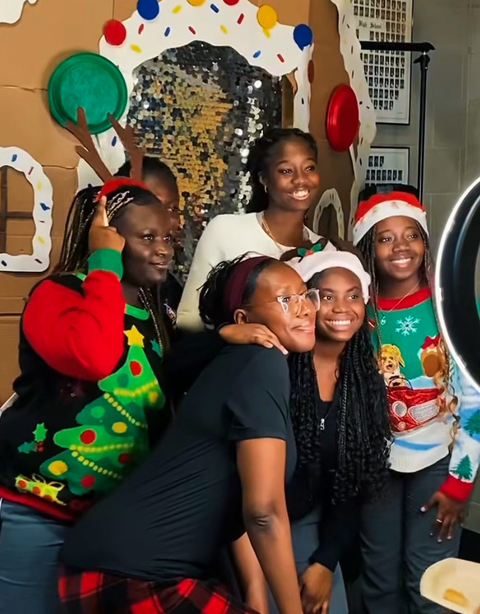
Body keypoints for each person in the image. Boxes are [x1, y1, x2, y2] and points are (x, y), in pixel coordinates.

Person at [59, 255, 319, 614]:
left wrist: (256, 592)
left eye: (306, 295)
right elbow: (264, 512)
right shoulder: (262, 362)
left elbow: (238, 500)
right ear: (243, 320)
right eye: (287, 299)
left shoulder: (238, 363)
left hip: (108, 563)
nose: (306, 309)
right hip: (135, 574)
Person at [0, 178, 174, 614]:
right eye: (147, 237)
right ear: (108, 237)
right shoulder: (59, 294)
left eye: (167, 238)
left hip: (103, 522)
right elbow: (93, 357)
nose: (163, 250)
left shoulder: (156, 311)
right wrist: (104, 264)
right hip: (31, 508)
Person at [228, 251, 390, 614]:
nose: (341, 307)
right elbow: (242, 495)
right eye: (327, 296)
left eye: (353, 295)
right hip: (244, 526)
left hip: (308, 521)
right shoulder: (272, 361)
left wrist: (325, 563)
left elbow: (353, 484)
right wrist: (225, 333)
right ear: (306, 304)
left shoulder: (363, 380)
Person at [354, 189, 480, 614]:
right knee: (378, 579)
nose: (401, 246)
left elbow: (475, 401)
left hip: (440, 462)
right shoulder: (356, 310)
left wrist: (461, 482)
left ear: (426, 243)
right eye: (386, 238)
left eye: (411, 235)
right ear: (368, 247)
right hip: (375, 465)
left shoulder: (451, 305)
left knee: (430, 582)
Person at [178, 128, 332, 331]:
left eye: (309, 168)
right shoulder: (226, 231)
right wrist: (230, 333)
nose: (301, 179)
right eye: (286, 171)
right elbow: (187, 319)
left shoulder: (327, 251)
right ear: (264, 179)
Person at [116, 156, 183, 334]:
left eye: (173, 208)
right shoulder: (80, 290)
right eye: (154, 206)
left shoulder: (170, 290)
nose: (165, 220)